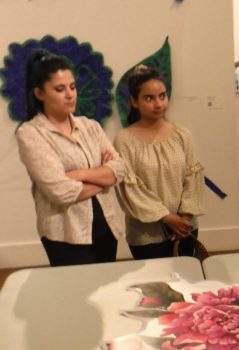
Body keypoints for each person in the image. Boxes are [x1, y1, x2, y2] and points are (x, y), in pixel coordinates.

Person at [16, 50, 125, 267]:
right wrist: (103, 179)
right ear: (39, 93)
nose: (70, 95)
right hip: (66, 234)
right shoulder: (31, 133)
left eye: (72, 87)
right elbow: (61, 191)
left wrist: (80, 174)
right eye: (60, 89)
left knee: (108, 286)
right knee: (76, 288)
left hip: (106, 228)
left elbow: (120, 169)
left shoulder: (90, 126)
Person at [114, 65, 205, 260]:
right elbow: (130, 189)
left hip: (185, 228)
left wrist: (185, 217)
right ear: (134, 101)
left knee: (186, 277)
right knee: (155, 279)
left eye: (162, 96)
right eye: (149, 98)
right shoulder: (124, 140)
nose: (158, 104)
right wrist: (166, 217)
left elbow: (193, 177)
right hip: (147, 236)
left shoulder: (182, 134)